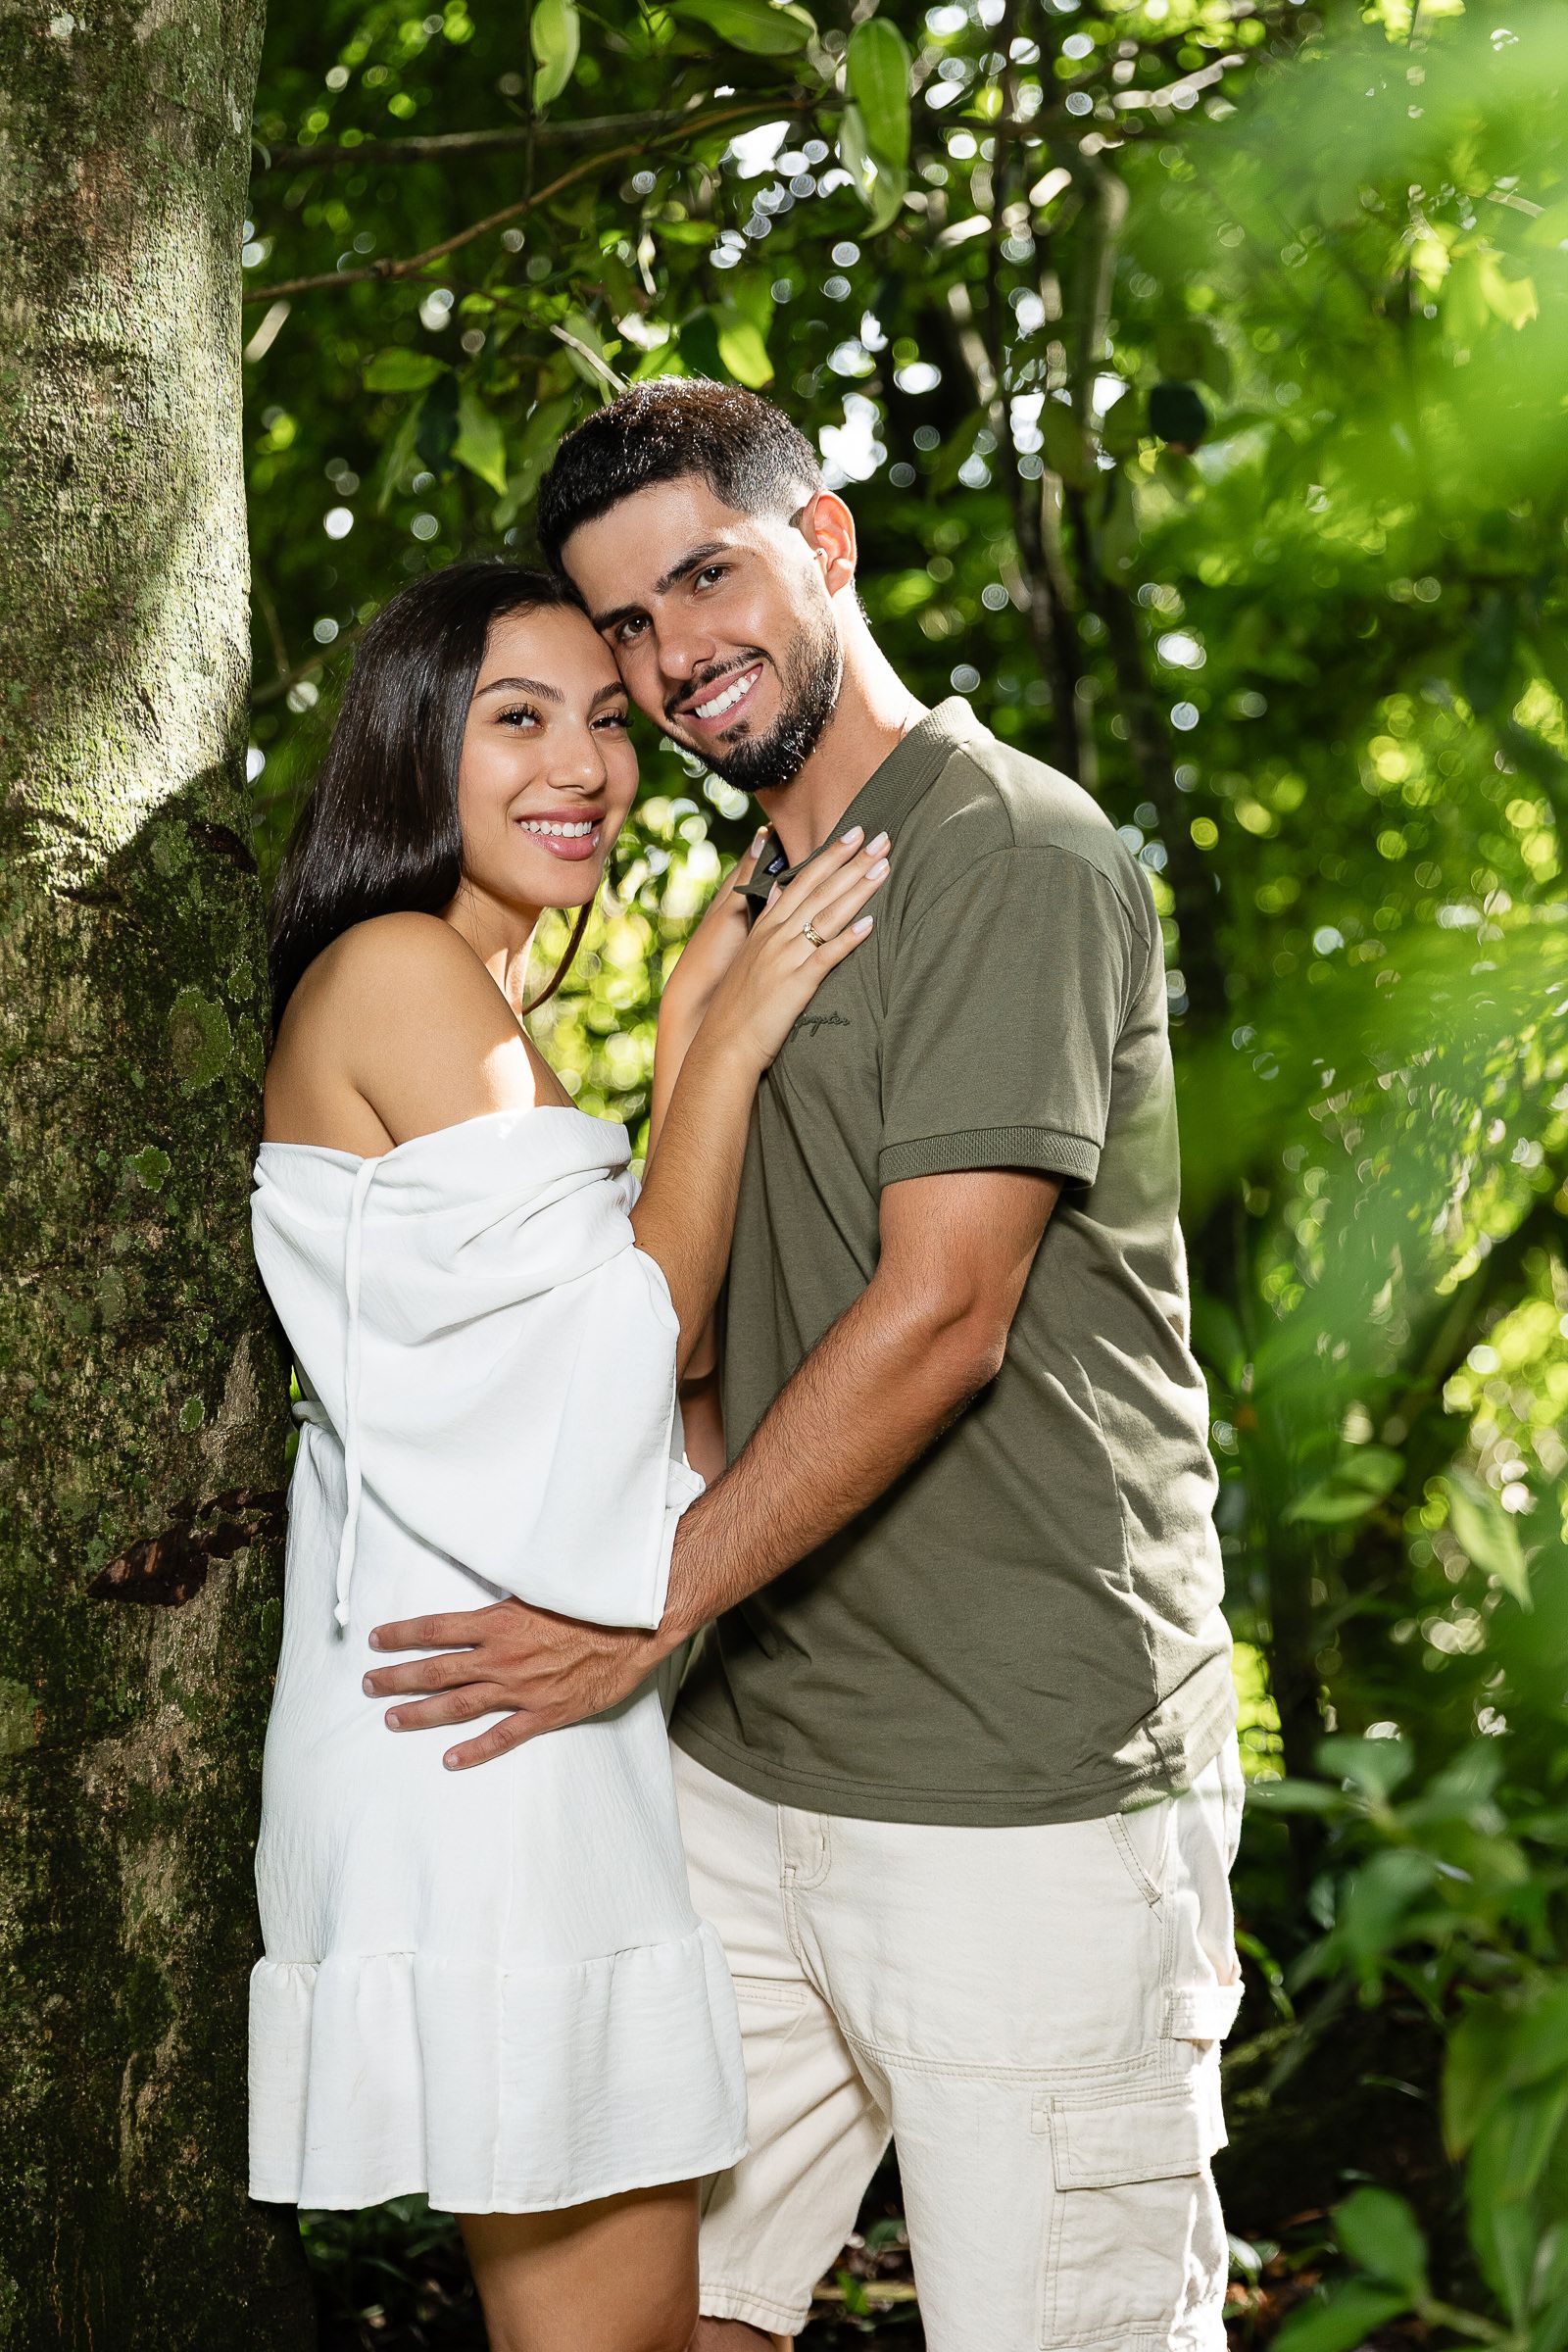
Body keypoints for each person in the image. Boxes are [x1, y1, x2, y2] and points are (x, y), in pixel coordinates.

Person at [364, 383, 1243, 2352]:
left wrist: (633, 1610)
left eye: (706, 577)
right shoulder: (746, 911)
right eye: (626, 625)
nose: (673, 652)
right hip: (751, 1764)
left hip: (1016, 1785)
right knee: (667, 2319)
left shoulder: (1007, 845)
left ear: (823, 544)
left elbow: (943, 1317)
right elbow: (690, 1336)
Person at [249, 556, 889, 2352]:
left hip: (516, 1709)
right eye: (516, 718)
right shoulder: (398, 970)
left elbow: (652, 1398)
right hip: (485, 1744)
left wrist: (688, 1052)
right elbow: (641, 1352)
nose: (586, 765)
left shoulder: (472, 1008)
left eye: (607, 722)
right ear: (412, 747)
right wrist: (722, 1047)